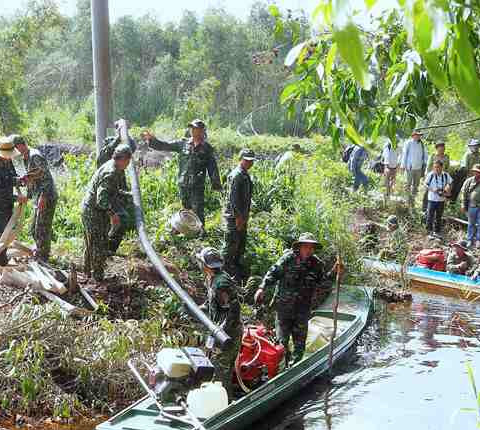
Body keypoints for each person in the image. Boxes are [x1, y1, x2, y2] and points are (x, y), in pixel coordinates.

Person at [254, 233, 342, 365]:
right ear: (299, 247)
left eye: (311, 247)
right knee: (281, 344)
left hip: (302, 310)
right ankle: (280, 370)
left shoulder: (316, 264)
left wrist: (335, 272)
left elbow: (323, 282)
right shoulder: (288, 259)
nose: (309, 250)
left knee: (299, 347)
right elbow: (273, 273)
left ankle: (295, 368)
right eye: (306, 246)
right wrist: (262, 288)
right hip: (283, 309)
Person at [142, 119, 222, 226]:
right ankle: (188, 230)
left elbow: (212, 168)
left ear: (202, 131)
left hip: (197, 185)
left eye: (196, 129)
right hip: (183, 183)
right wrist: (152, 140)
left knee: (198, 209)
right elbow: (165, 145)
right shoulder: (182, 143)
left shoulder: (207, 149)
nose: (193, 131)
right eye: (192, 128)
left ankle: (200, 231)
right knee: (185, 209)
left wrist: (216, 184)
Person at [81, 144, 133, 281]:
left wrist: (126, 194)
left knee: (92, 243)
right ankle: (97, 278)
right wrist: (112, 215)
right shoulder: (111, 173)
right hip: (94, 212)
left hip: (93, 208)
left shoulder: (115, 166)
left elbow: (112, 191)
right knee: (98, 244)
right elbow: (101, 200)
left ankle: (87, 274)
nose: (128, 164)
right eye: (127, 161)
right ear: (122, 159)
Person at [196, 247, 241, 396]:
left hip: (227, 333)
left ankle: (225, 403)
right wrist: (198, 309)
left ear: (206, 265)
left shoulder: (221, 283)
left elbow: (233, 309)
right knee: (213, 367)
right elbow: (212, 303)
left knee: (221, 373)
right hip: (216, 331)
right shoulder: (211, 278)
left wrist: (221, 331)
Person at [11, 136, 58, 262]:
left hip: (46, 196)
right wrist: (29, 195)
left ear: (21, 145)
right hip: (38, 196)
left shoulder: (34, 156)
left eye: (15, 148)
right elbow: (33, 179)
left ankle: (43, 258)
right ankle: (40, 252)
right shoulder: (26, 157)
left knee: (41, 229)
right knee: (34, 229)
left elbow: (46, 177)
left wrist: (43, 196)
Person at [0, 136, 26, 268]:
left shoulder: (8, 162)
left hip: (7, 205)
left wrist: (19, 180)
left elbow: (11, 178)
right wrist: (16, 198)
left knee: (6, 234)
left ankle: (1, 262)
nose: (9, 157)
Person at [223, 148, 255, 281]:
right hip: (234, 218)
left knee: (240, 246)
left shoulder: (244, 174)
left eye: (251, 161)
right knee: (231, 246)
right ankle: (224, 272)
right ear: (241, 159)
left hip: (242, 217)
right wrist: (238, 218)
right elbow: (234, 199)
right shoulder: (237, 175)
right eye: (246, 160)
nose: (249, 163)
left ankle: (236, 272)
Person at [461, 164, 480, 248]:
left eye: (478, 172)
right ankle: (469, 240)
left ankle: (479, 240)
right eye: (475, 171)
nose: (476, 173)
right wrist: (463, 204)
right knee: (471, 224)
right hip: (471, 206)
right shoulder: (469, 181)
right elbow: (463, 193)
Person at [424, 159, 452, 237]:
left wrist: (447, 189)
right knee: (430, 215)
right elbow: (425, 185)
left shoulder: (446, 175)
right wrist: (433, 190)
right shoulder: (431, 175)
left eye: (438, 167)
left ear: (442, 167)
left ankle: (437, 231)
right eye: (435, 167)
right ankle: (429, 231)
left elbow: (450, 183)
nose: (436, 169)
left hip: (441, 199)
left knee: (439, 216)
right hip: (432, 199)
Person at [400, 130, 428, 210]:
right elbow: (404, 154)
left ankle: (412, 201)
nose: (418, 136)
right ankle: (406, 200)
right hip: (410, 167)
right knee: (408, 184)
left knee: (416, 185)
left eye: (419, 135)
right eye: (417, 135)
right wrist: (403, 165)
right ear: (413, 135)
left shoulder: (422, 144)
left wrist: (425, 165)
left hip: (419, 168)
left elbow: (425, 155)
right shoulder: (408, 143)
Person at [422, 140, 450, 214]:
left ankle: (440, 209)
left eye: (443, 149)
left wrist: (447, 178)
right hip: (432, 177)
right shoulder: (433, 156)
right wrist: (427, 176)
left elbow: (447, 168)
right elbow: (428, 167)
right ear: (437, 149)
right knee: (428, 192)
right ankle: (424, 209)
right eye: (440, 149)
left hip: (442, 177)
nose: (442, 150)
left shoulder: (446, 157)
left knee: (441, 193)